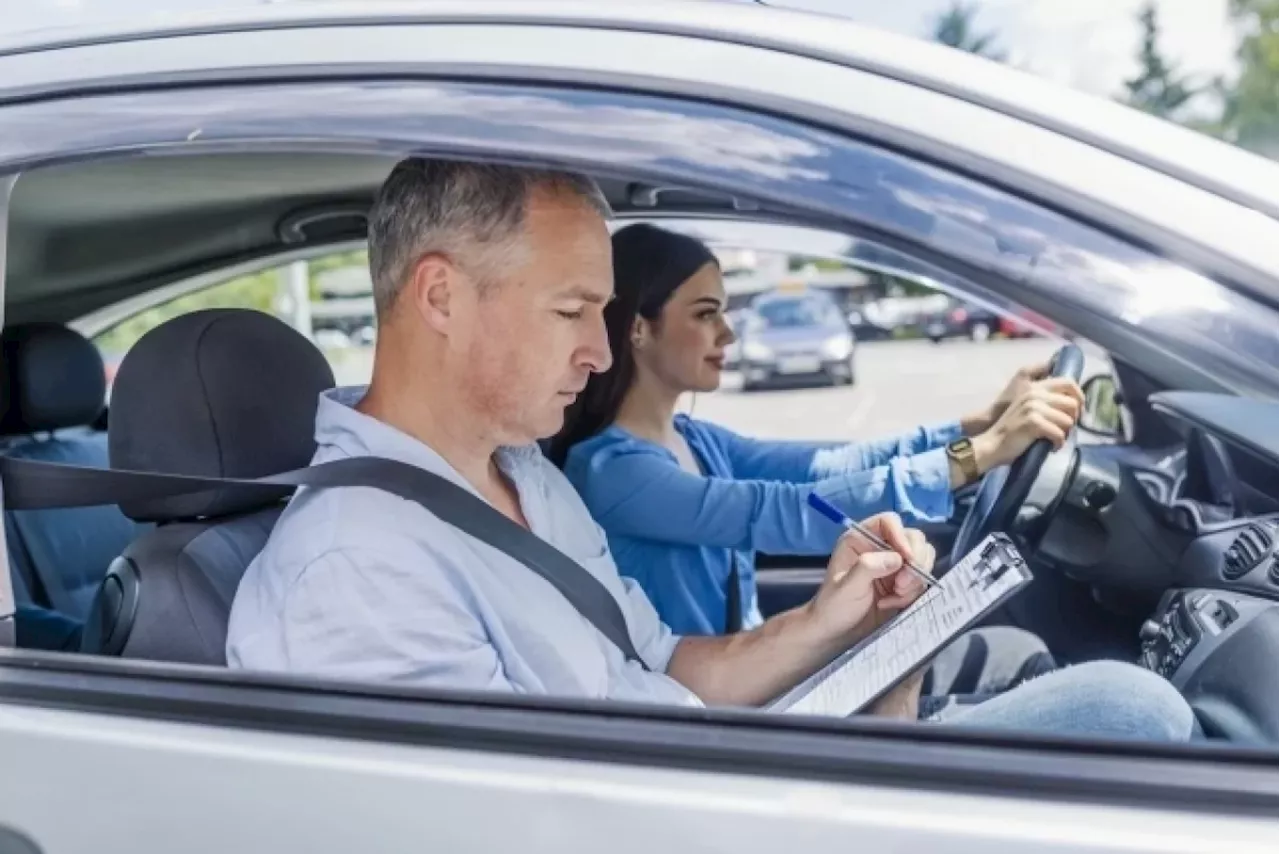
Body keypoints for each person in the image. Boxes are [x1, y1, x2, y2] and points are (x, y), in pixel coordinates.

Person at [226, 158, 1194, 741]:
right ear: (439, 296)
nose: (600, 353)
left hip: (716, 775)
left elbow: (668, 667)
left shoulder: (522, 477)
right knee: (1127, 714)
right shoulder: (355, 569)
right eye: (571, 311)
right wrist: (868, 745)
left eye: (603, 314)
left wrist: (832, 620)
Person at [549, 224, 1073, 704]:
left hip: (767, 677)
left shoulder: (694, 439)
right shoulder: (612, 471)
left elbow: (832, 467)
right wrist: (977, 457)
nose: (729, 334)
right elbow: (782, 512)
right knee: (1029, 675)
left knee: (1015, 657)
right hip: (723, 707)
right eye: (706, 313)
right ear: (640, 328)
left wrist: (981, 425)